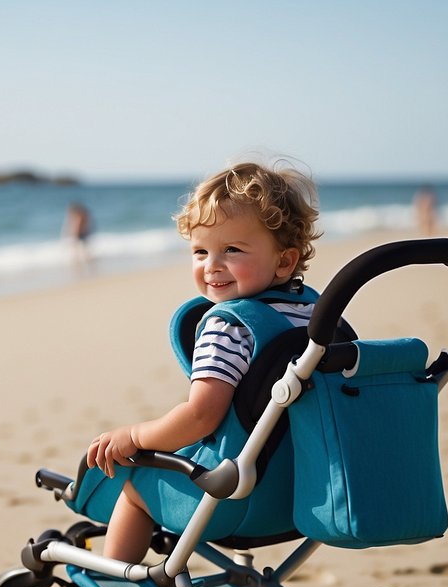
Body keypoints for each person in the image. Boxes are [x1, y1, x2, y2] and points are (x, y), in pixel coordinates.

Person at [85, 162, 321, 563]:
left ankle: (119, 574)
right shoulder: (315, 315)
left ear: (284, 261)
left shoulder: (228, 328)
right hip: (301, 495)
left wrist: (136, 436)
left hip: (233, 498)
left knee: (136, 483)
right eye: (200, 251)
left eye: (232, 250)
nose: (211, 265)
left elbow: (201, 416)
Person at [64, 202, 94, 275]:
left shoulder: (78, 216)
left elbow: (76, 227)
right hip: (83, 233)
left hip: (79, 234)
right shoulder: (83, 215)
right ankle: (87, 261)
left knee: (77, 249)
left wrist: (73, 234)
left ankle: (78, 263)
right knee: (84, 248)